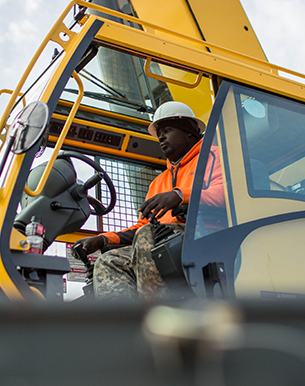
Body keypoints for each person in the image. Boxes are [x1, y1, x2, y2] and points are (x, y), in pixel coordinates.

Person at [76, 101, 223, 301]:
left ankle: (156, 315)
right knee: (110, 260)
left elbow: (226, 194)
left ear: (189, 132)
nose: (161, 136)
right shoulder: (158, 182)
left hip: (207, 237)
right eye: (159, 132)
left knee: (149, 236)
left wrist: (179, 195)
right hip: (168, 243)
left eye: (168, 130)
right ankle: (127, 324)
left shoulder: (216, 156)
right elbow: (141, 226)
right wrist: (104, 239)